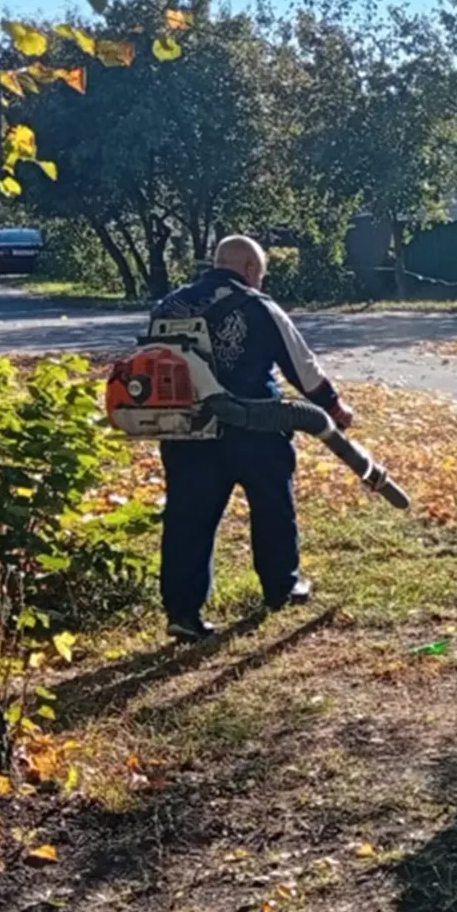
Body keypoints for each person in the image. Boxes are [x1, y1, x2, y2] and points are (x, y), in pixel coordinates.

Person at [152, 235, 353, 642]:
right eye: (260, 274)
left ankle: (183, 612)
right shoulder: (257, 305)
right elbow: (303, 366)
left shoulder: (168, 305)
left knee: (187, 520)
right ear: (249, 270)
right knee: (273, 507)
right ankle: (281, 586)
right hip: (256, 430)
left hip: (187, 429)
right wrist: (333, 408)